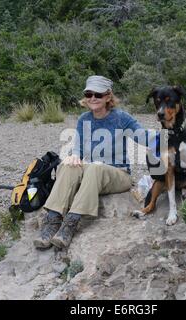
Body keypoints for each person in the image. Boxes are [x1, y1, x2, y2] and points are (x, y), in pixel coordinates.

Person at [33, 75, 158, 249]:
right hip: (93, 172)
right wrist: (73, 155)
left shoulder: (121, 118)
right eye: (89, 93)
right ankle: (53, 221)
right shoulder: (84, 119)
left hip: (119, 174)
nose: (93, 98)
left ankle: (71, 223)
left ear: (108, 97)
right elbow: (77, 148)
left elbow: (143, 136)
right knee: (68, 166)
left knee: (93, 167)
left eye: (98, 94)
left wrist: (166, 137)